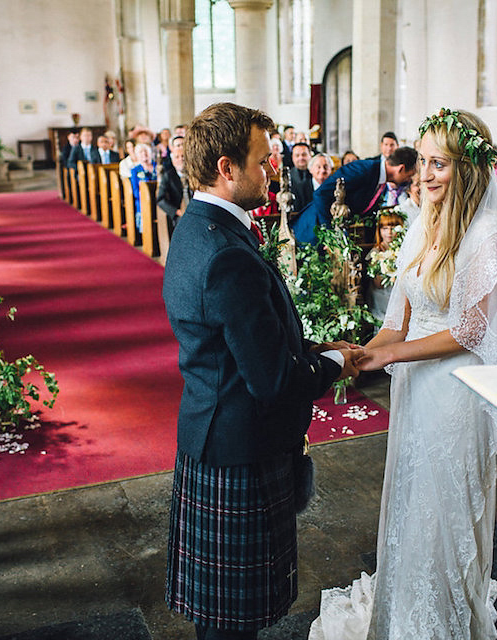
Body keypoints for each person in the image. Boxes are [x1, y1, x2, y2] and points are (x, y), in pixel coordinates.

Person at [312, 108, 497, 639]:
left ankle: (442, 624)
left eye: (439, 164)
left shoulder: (487, 232)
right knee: (409, 501)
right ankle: (403, 617)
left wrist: (385, 359)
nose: (424, 175)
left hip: (457, 392)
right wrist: (356, 353)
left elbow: (469, 332)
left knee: (441, 511)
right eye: (422, 162)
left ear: (468, 170)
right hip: (415, 389)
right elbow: (398, 322)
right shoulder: (421, 220)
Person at [162, 102, 362, 640]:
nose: (272, 169)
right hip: (239, 452)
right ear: (227, 168)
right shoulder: (226, 253)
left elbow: (245, 339)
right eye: (262, 160)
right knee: (232, 627)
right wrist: (340, 362)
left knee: (221, 621)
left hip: (213, 432)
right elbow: (272, 379)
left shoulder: (196, 228)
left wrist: (318, 347)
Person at [290, 146, 418, 245]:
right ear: (400, 169)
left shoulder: (380, 179)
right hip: (312, 231)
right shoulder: (363, 169)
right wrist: (331, 236)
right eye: (410, 175)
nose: (409, 180)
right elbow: (321, 194)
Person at [364, 209, 405, 326]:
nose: (389, 232)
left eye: (393, 228)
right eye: (385, 228)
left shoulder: (402, 248)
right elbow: (378, 284)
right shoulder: (376, 252)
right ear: (379, 230)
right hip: (382, 290)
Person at [156, 143, 189, 233]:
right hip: (178, 215)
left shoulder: (193, 174)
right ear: (173, 161)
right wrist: (176, 211)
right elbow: (160, 200)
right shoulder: (168, 176)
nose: (181, 159)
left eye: (183, 156)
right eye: (177, 157)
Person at [130, 143, 156, 232]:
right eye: (141, 152)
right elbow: (135, 191)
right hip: (142, 201)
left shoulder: (157, 166)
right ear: (137, 155)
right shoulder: (135, 170)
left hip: (158, 198)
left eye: (146, 151)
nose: (144, 154)